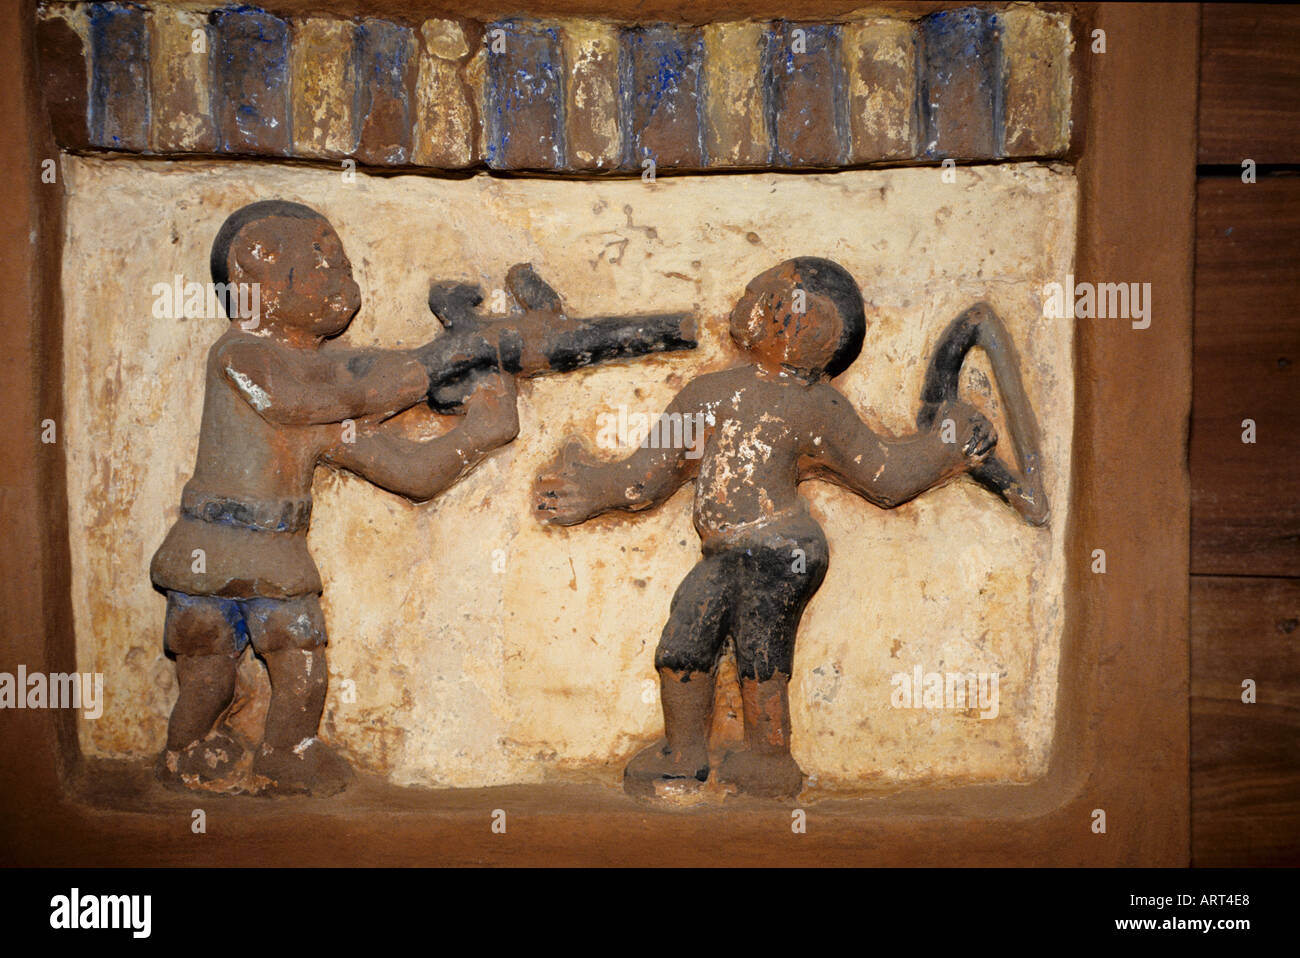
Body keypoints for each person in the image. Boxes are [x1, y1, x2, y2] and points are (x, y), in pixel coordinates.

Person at [534, 257, 996, 799]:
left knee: (752, 644)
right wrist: (591, 490)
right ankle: (693, 752)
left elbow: (883, 475)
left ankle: (763, 757)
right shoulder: (714, 396)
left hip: (784, 546)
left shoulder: (811, 404)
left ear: (799, 321)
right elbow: (647, 478)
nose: (745, 298)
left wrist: (948, 445)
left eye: (761, 291)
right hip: (732, 550)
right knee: (694, 634)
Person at [151, 200, 519, 795]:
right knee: (207, 676)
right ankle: (187, 746)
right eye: (319, 255)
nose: (340, 273)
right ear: (256, 264)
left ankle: (286, 750)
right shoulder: (241, 355)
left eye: (340, 258)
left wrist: (477, 435)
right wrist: (424, 373)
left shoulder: (327, 395)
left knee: (301, 661)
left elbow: (408, 471)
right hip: (208, 552)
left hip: (279, 554)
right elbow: (295, 401)